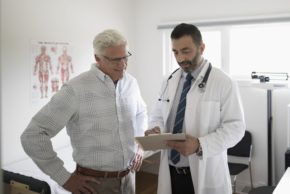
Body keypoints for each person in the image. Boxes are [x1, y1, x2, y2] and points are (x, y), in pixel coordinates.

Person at [21, 29, 148, 194]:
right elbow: (32, 135)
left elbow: (140, 113)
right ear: (97, 58)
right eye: (115, 60)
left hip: (129, 178)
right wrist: (64, 178)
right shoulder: (75, 90)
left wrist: (140, 145)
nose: (123, 64)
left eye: (125, 57)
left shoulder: (131, 83)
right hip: (94, 184)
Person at [145, 23, 245, 194]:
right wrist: (156, 130)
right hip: (171, 172)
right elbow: (158, 115)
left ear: (202, 47)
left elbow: (236, 128)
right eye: (175, 52)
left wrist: (200, 145)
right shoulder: (169, 80)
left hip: (204, 173)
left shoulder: (223, 82)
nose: (180, 58)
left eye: (186, 51)